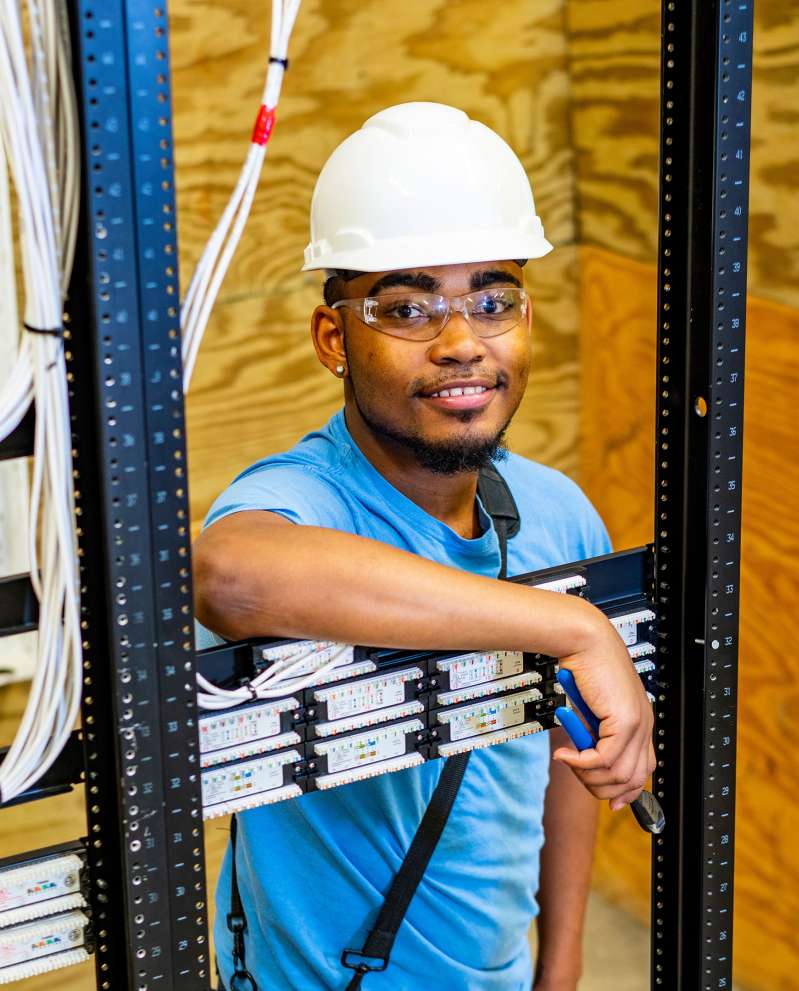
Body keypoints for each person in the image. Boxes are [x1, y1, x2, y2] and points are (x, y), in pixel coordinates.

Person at [194, 102, 655, 991]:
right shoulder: (303, 500)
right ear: (335, 339)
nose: (461, 344)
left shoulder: (556, 514)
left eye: (493, 301)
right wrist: (576, 629)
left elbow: (573, 759)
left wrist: (556, 970)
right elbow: (231, 577)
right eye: (407, 307)